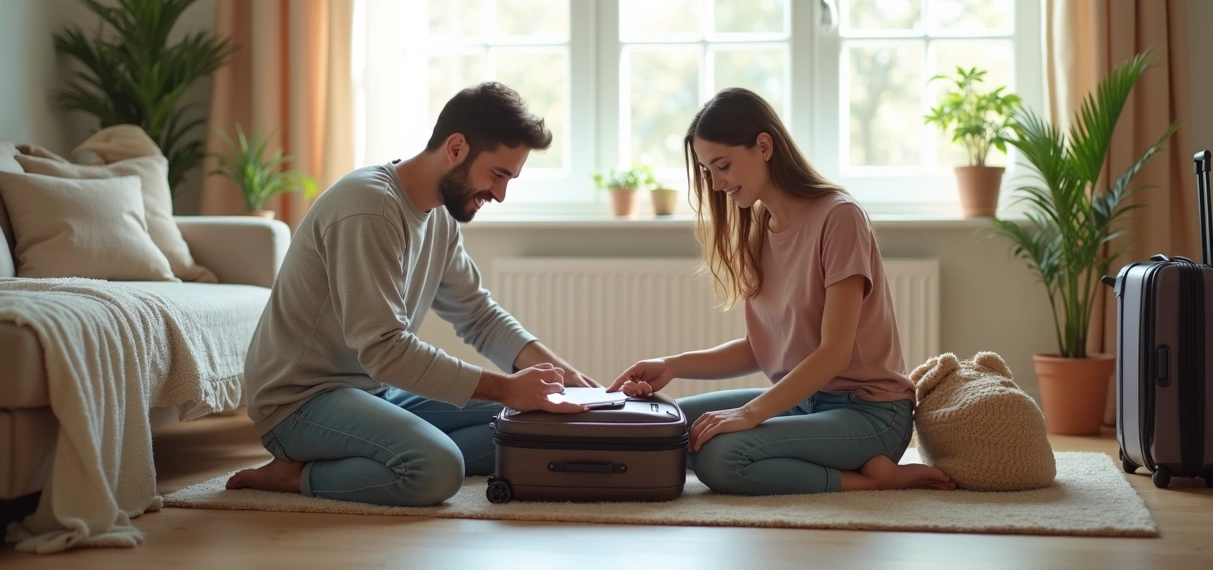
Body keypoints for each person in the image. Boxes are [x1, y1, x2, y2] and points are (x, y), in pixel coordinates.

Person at [227, 81, 597, 507]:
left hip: (373, 392)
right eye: (498, 175)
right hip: (300, 402)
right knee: (438, 469)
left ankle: (372, 449)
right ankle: (295, 476)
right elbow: (385, 350)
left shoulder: (440, 218)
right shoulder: (369, 208)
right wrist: (506, 388)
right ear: (456, 148)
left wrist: (571, 382)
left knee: (528, 427)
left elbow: (479, 316)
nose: (499, 194)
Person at [608, 88, 955, 496]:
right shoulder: (760, 229)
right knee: (671, 427)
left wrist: (750, 414)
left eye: (723, 166)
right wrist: (672, 365)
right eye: (707, 172)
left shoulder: (840, 217)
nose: (716, 184)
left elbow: (834, 353)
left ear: (763, 146)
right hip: (805, 400)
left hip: (871, 414)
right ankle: (837, 465)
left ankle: (869, 480)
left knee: (721, 457)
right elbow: (761, 348)